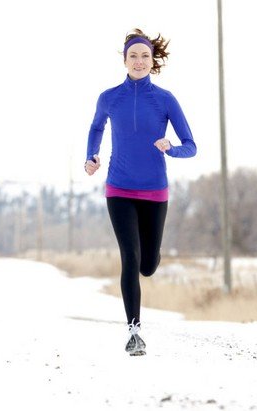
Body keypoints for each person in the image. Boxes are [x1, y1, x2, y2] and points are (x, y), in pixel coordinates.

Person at [84, 28, 196, 356]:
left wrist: (171, 148)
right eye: (133, 55)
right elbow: (96, 127)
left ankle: (153, 256)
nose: (139, 60)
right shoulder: (109, 97)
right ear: (124, 60)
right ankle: (134, 330)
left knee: (147, 264)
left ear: (152, 60)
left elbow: (191, 146)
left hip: (154, 192)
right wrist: (91, 157)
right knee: (130, 258)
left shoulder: (164, 99)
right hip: (118, 188)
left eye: (144, 55)